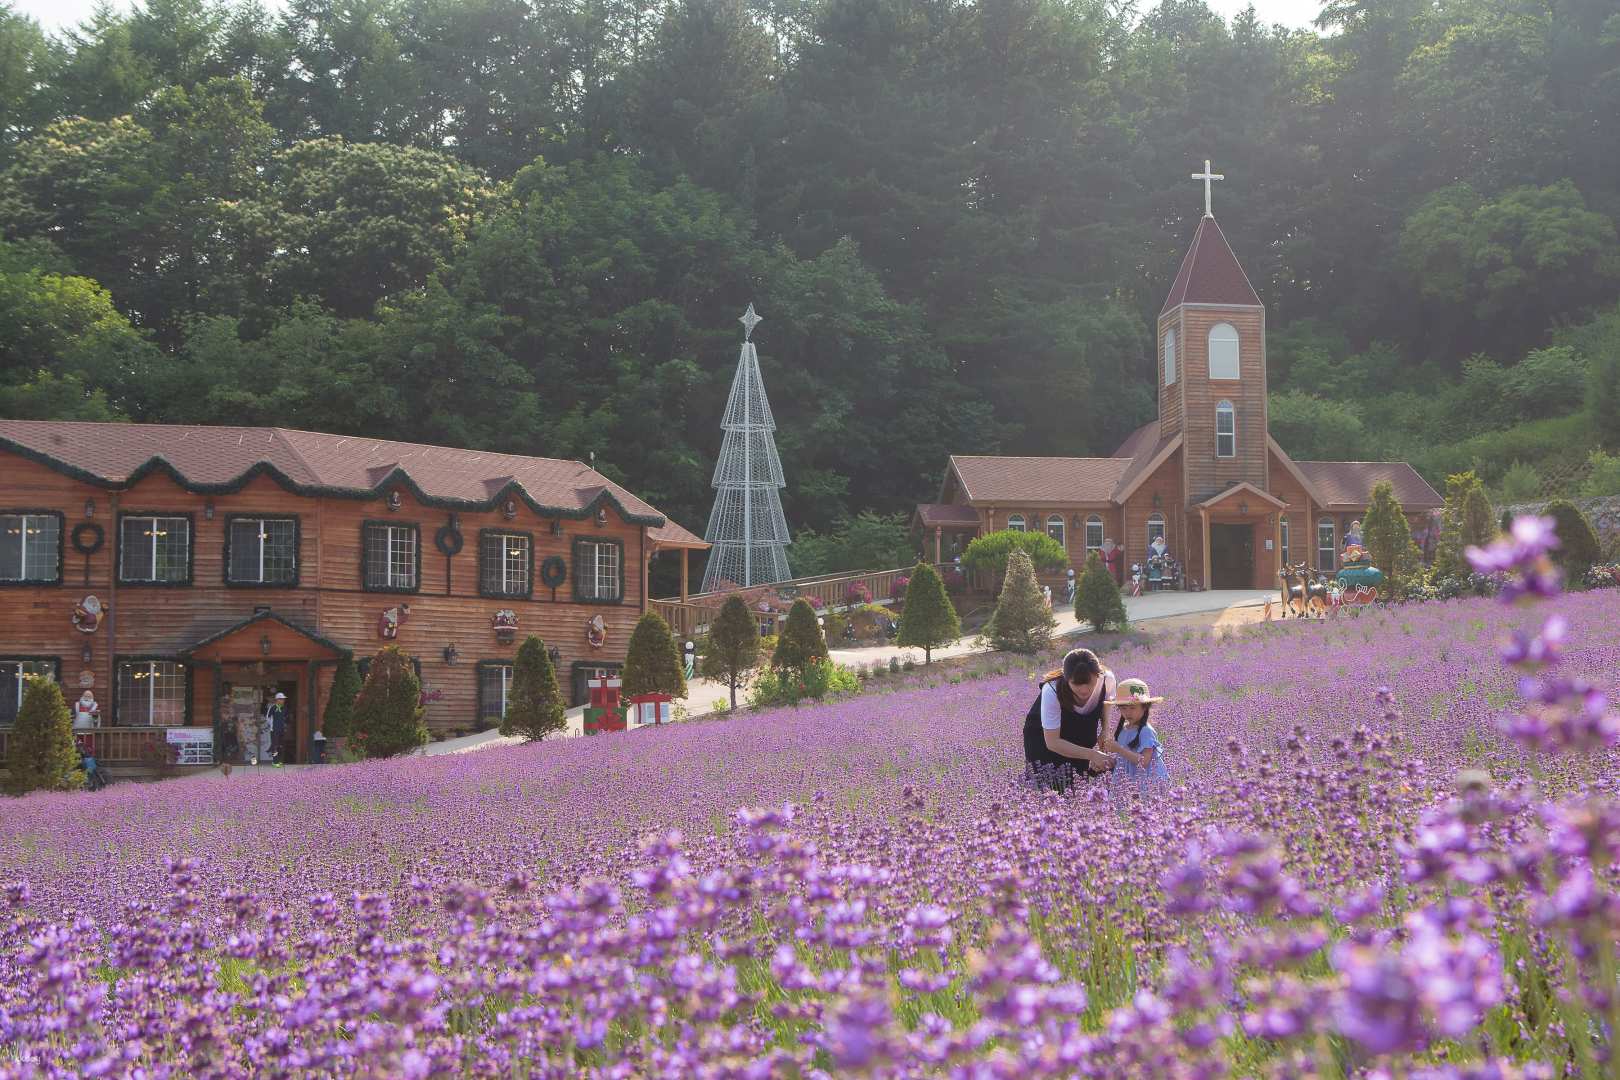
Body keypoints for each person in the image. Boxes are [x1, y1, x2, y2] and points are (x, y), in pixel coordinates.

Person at [1022, 648, 1123, 790]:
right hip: (1044, 741)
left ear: (1098, 674)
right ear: (1066, 679)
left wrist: (1105, 730)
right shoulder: (1052, 689)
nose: (1084, 690)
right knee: (1051, 787)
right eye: (1076, 684)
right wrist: (1092, 754)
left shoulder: (1107, 679)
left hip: (1080, 733)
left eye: (1089, 682)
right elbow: (1052, 742)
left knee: (1079, 787)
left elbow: (1106, 703)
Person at [1107, 678, 1168, 792]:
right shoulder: (1123, 730)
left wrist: (1119, 749)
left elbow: (1144, 762)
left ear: (1144, 707)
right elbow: (1124, 759)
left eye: (1132, 708)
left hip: (1144, 782)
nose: (1128, 712)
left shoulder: (1146, 731)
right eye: (1123, 708)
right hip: (1125, 781)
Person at [264, 692, 287, 764]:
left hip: (281, 729)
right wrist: (272, 725)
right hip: (274, 729)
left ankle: (280, 761)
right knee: (275, 745)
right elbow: (267, 717)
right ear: (277, 700)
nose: (283, 700)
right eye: (281, 699)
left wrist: (284, 725)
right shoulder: (273, 707)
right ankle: (275, 761)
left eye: (283, 699)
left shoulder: (284, 708)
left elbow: (285, 717)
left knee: (281, 745)